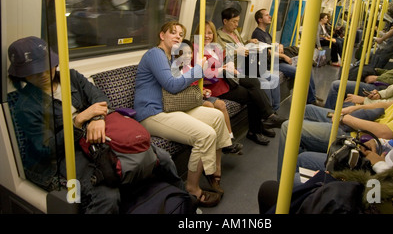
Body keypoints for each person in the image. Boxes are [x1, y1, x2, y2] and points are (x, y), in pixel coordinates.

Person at [277, 41, 393, 179]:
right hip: (372, 135)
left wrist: (348, 118)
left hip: (364, 134)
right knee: (309, 109)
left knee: (289, 127)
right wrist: (363, 105)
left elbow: (387, 130)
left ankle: (284, 186)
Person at [260, 97, 393, 214]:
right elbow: (380, 191)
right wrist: (379, 150)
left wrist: (375, 170)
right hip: (375, 170)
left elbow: (378, 199)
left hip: (370, 181)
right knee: (292, 174)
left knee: (277, 188)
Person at [8, 36, 121, 213]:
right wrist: (76, 123)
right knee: (107, 195)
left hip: (88, 137)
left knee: (156, 156)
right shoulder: (25, 106)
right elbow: (46, 149)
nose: (43, 75)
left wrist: (97, 120)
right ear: (21, 75)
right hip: (58, 158)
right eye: (34, 72)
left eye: (47, 67)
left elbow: (99, 97)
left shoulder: (71, 77)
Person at [134, 21, 231, 207]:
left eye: (181, 33)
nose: (178, 36)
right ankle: (192, 188)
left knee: (217, 117)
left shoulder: (171, 58)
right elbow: (171, 85)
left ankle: (212, 169)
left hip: (168, 108)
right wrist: (198, 69)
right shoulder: (155, 54)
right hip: (152, 113)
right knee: (205, 134)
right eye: (173, 32)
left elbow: (178, 84)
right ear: (162, 36)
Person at [195, 20, 285, 146]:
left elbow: (221, 63)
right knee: (253, 94)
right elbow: (203, 75)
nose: (207, 35)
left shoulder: (214, 47)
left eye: (210, 33)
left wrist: (227, 65)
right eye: (203, 33)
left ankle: (262, 122)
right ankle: (263, 122)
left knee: (254, 84)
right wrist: (222, 70)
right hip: (215, 87)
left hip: (226, 80)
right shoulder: (195, 50)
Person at [172, 39, 243, 155]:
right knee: (209, 105)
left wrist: (204, 90)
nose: (187, 56)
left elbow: (197, 84)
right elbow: (182, 87)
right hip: (189, 97)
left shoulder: (190, 67)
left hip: (199, 94)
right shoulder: (177, 70)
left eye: (189, 53)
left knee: (221, 104)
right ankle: (216, 142)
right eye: (183, 53)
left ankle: (229, 140)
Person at [251, 8, 323, 106]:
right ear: (260, 19)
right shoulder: (257, 33)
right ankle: (311, 99)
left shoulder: (265, 33)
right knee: (301, 72)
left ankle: (312, 95)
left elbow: (272, 44)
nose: (270, 16)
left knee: (307, 68)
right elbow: (267, 52)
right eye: (267, 15)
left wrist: (280, 45)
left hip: (277, 60)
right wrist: (284, 56)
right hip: (271, 63)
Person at [216, 7, 282, 112]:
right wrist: (237, 51)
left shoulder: (235, 32)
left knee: (274, 78)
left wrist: (248, 41)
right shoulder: (219, 38)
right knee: (264, 83)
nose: (237, 25)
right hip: (238, 69)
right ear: (225, 21)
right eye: (234, 22)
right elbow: (223, 55)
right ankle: (268, 113)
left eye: (238, 21)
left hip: (248, 64)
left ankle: (275, 109)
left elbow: (241, 44)